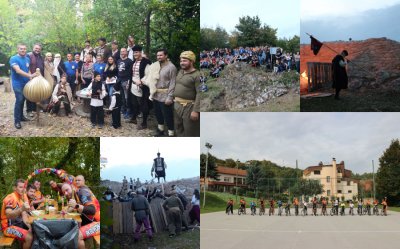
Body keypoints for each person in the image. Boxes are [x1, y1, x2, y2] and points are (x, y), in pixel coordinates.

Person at [62, 182, 100, 249]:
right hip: (92, 222)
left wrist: (76, 206)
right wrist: (65, 212)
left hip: (99, 223)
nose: (65, 193)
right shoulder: (76, 194)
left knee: (76, 236)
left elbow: (92, 210)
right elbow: (73, 206)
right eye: (64, 192)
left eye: (67, 190)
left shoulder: (82, 192)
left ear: (72, 187)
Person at [9, 44, 39, 129]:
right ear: (17, 49)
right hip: (17, 84)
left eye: (24, 49)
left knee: (23, 100)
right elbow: (18, 71)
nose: (23, 50)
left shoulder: (27, 58)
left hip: (26, 83)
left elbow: (27, 69)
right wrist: (31, 75)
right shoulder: (13, 58)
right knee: (19, 100)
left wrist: (30, 78)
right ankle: (17, 121)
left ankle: (21, 117)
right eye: (21, 49)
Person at [1, 179, 33, 249]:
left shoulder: (21, 199)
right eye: (20, 187)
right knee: (29, 238)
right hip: (7, 227)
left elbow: (24, 215)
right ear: (15, 188)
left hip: (17, 224)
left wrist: (30, 227)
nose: (23, 189)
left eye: (24, 187)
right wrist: (21, 209)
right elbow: (8, 215)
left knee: (34, 231)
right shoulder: (10, 198)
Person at [173, 51, 200, 137]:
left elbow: (200, 93)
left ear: (191, 61)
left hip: (189, 107)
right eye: (181, 61)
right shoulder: (180, 72)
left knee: (190, 131)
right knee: (178, 128)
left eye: (185, 61)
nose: (182, 63)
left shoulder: (198, 75)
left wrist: (196, 111)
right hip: (177, 105)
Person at [128, 45, 152, 130]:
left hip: (142, 87)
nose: (135, 54)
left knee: (143, 105)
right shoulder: (133, 62)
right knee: (134, 103)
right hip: (133, 86)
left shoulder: (146, 62)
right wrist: (129, 83)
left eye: (137, 52)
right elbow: (132, 74)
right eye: (134, 52)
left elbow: (149, 75)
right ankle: (134, 118)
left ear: (140, 52)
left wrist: (142, 82)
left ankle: (144, 123)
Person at [26, 43, 45, 116]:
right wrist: (29, 76)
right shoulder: (29, 55)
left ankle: (35, 109)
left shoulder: (40, 56)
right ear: (33, 48)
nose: (37, 50)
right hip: (31, 77)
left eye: (39, 49)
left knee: (36, 93)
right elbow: (27, 66)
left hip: (39, 78)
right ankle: (29, 110)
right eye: (36, 48)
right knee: (30, 93)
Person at [117, 47, 133, 118]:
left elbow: (131, 73)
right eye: (121, 51)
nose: (122, 53)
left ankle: (129, 111)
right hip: (119, 80)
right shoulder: (118, 60)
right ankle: (123, 109)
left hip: (126, 81)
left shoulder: (129, 61)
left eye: (123, 51)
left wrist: (129, 82)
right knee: (122, 97)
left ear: (126, 52)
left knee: (127, 97)